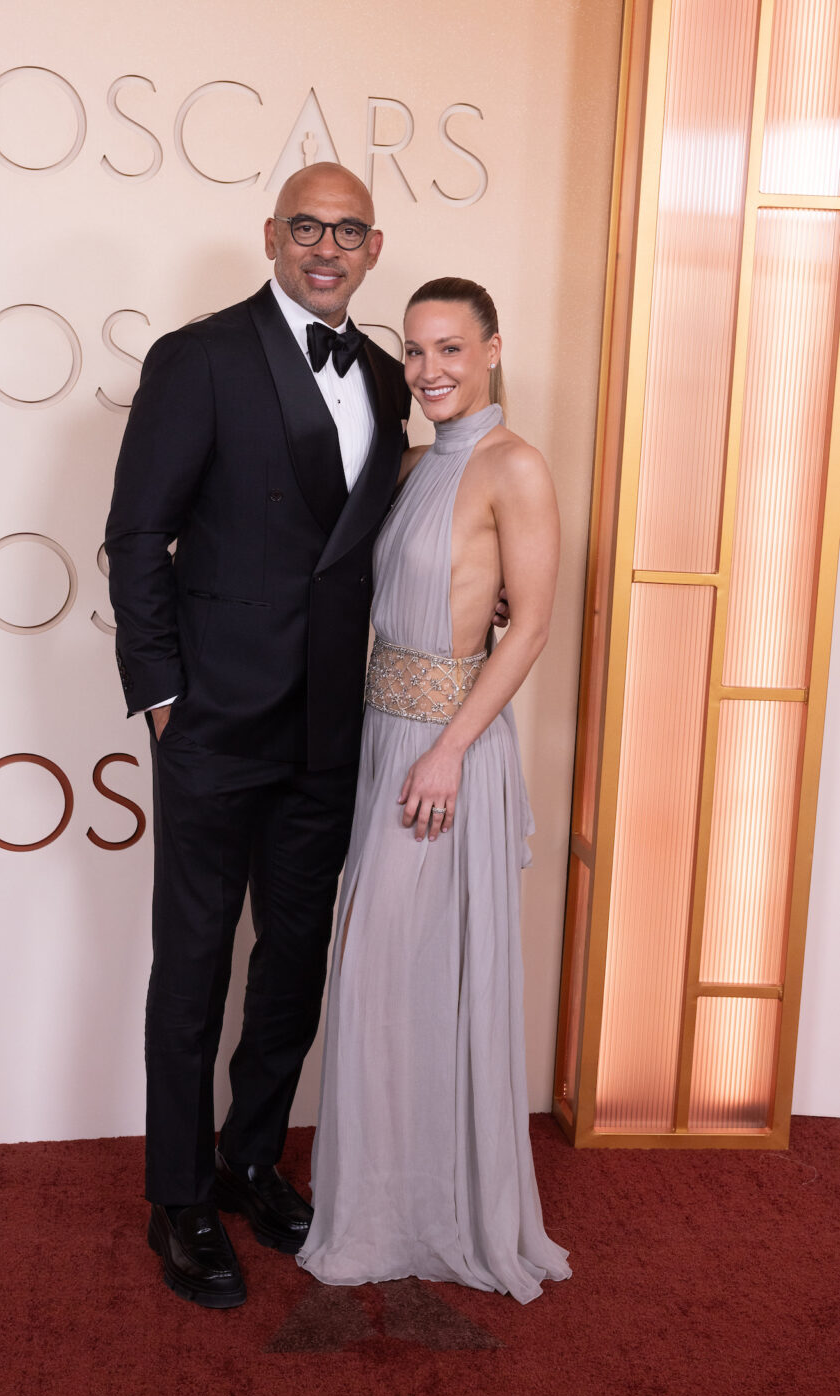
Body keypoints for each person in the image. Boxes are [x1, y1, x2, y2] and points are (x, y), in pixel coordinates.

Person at [104, 164, 410, 1309]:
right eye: (303, 227)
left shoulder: (384, 376)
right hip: (217, 718)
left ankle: (248, 1161)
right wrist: (161, 694)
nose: (323, 247)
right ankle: (175, 1196)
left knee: (289, 964)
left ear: (371, 248)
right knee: (191, 966)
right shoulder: (199, 357)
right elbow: (136, 533)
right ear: (270, 236)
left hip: (330, 722)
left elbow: (375, 541)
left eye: (345, 231)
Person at [297, 277, 572, 1303]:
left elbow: (532, 623)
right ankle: (382, 1202)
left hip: (444, 750)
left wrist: (451, 748)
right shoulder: (411, 463)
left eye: (450, 349)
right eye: (413, 352)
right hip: (383, 735)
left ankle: (433, 1211)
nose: (428, 371)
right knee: (378, 979)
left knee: (409, 975)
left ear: (492, 350)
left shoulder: (514, 467)